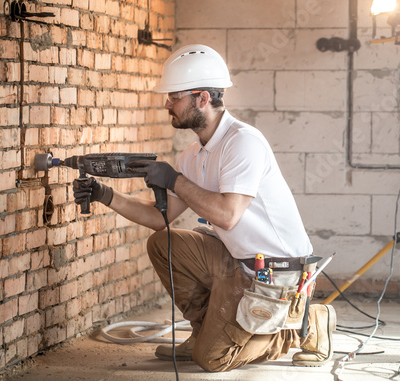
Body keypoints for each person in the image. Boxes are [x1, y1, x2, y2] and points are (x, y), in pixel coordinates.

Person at [73, 44, 336, 372]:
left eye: (174, 97)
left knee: (212, 359)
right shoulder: (193, 156)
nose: (166, 104)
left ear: (202, 99)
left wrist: (174, 181)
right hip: (237, 262)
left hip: (278, 272)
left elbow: (227, 215)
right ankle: (203, 329)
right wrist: (105, 194)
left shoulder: (243, 143)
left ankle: (305, 322)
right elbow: (160, 220)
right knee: (163, 243)